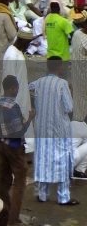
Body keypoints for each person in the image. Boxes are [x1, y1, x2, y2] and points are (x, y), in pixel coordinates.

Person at [31, 57, 78, 205]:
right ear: (59, 67)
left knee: (43, 159)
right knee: (62, 161)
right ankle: (63, 197)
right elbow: (69, 107)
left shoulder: (38, 82)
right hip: (58, 130)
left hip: (42, 129)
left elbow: (27, 89)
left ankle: (42, 194)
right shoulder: (62, 84)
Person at [0, 75, 33, 226]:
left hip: (2, 144)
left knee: (4, 180)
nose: (16, 91)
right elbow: (19, 131)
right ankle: (12, 220)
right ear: (12, 88)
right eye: (16, 88)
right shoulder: (13, 106)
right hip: (14, 147)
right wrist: (30, 119)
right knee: (19, 183)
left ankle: (2, 213)